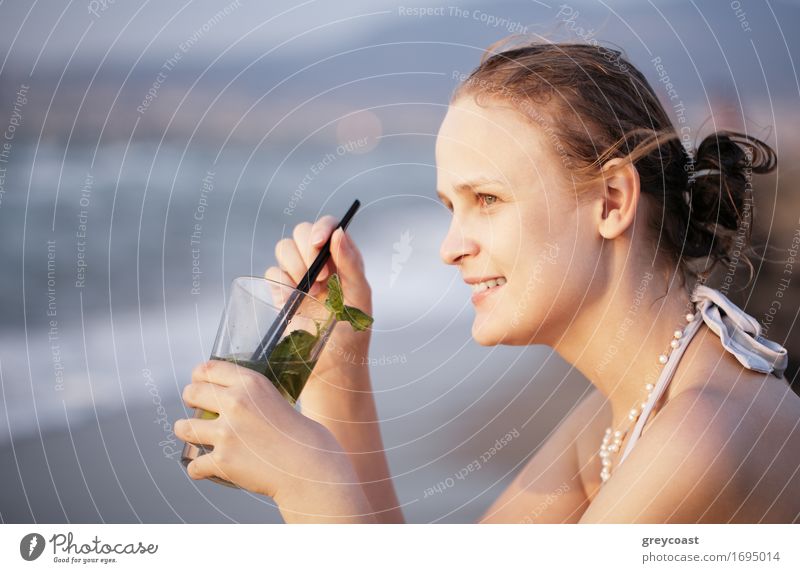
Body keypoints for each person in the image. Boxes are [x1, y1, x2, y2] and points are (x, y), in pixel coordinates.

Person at [174, 39, 800, 523]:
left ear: (612, 200)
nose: (450, 249)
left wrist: (310, 481)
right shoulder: (628, 411)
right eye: (451, 206)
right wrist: (340, 365)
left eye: (489, 198)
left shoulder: (698, 442)